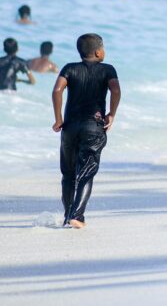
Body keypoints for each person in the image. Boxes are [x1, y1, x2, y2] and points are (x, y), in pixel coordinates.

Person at [50, 33, 120, 228]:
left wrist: (58, 119)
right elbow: (115, 90)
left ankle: (67, 216)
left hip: (70, 128)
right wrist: (112, 113)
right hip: (93, 127)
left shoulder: (69, 68)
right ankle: (77, 216)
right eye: (103, 48)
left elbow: (57, 90)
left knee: (68, 174)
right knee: (86, 172)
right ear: (98, 52)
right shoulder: (108, 70)